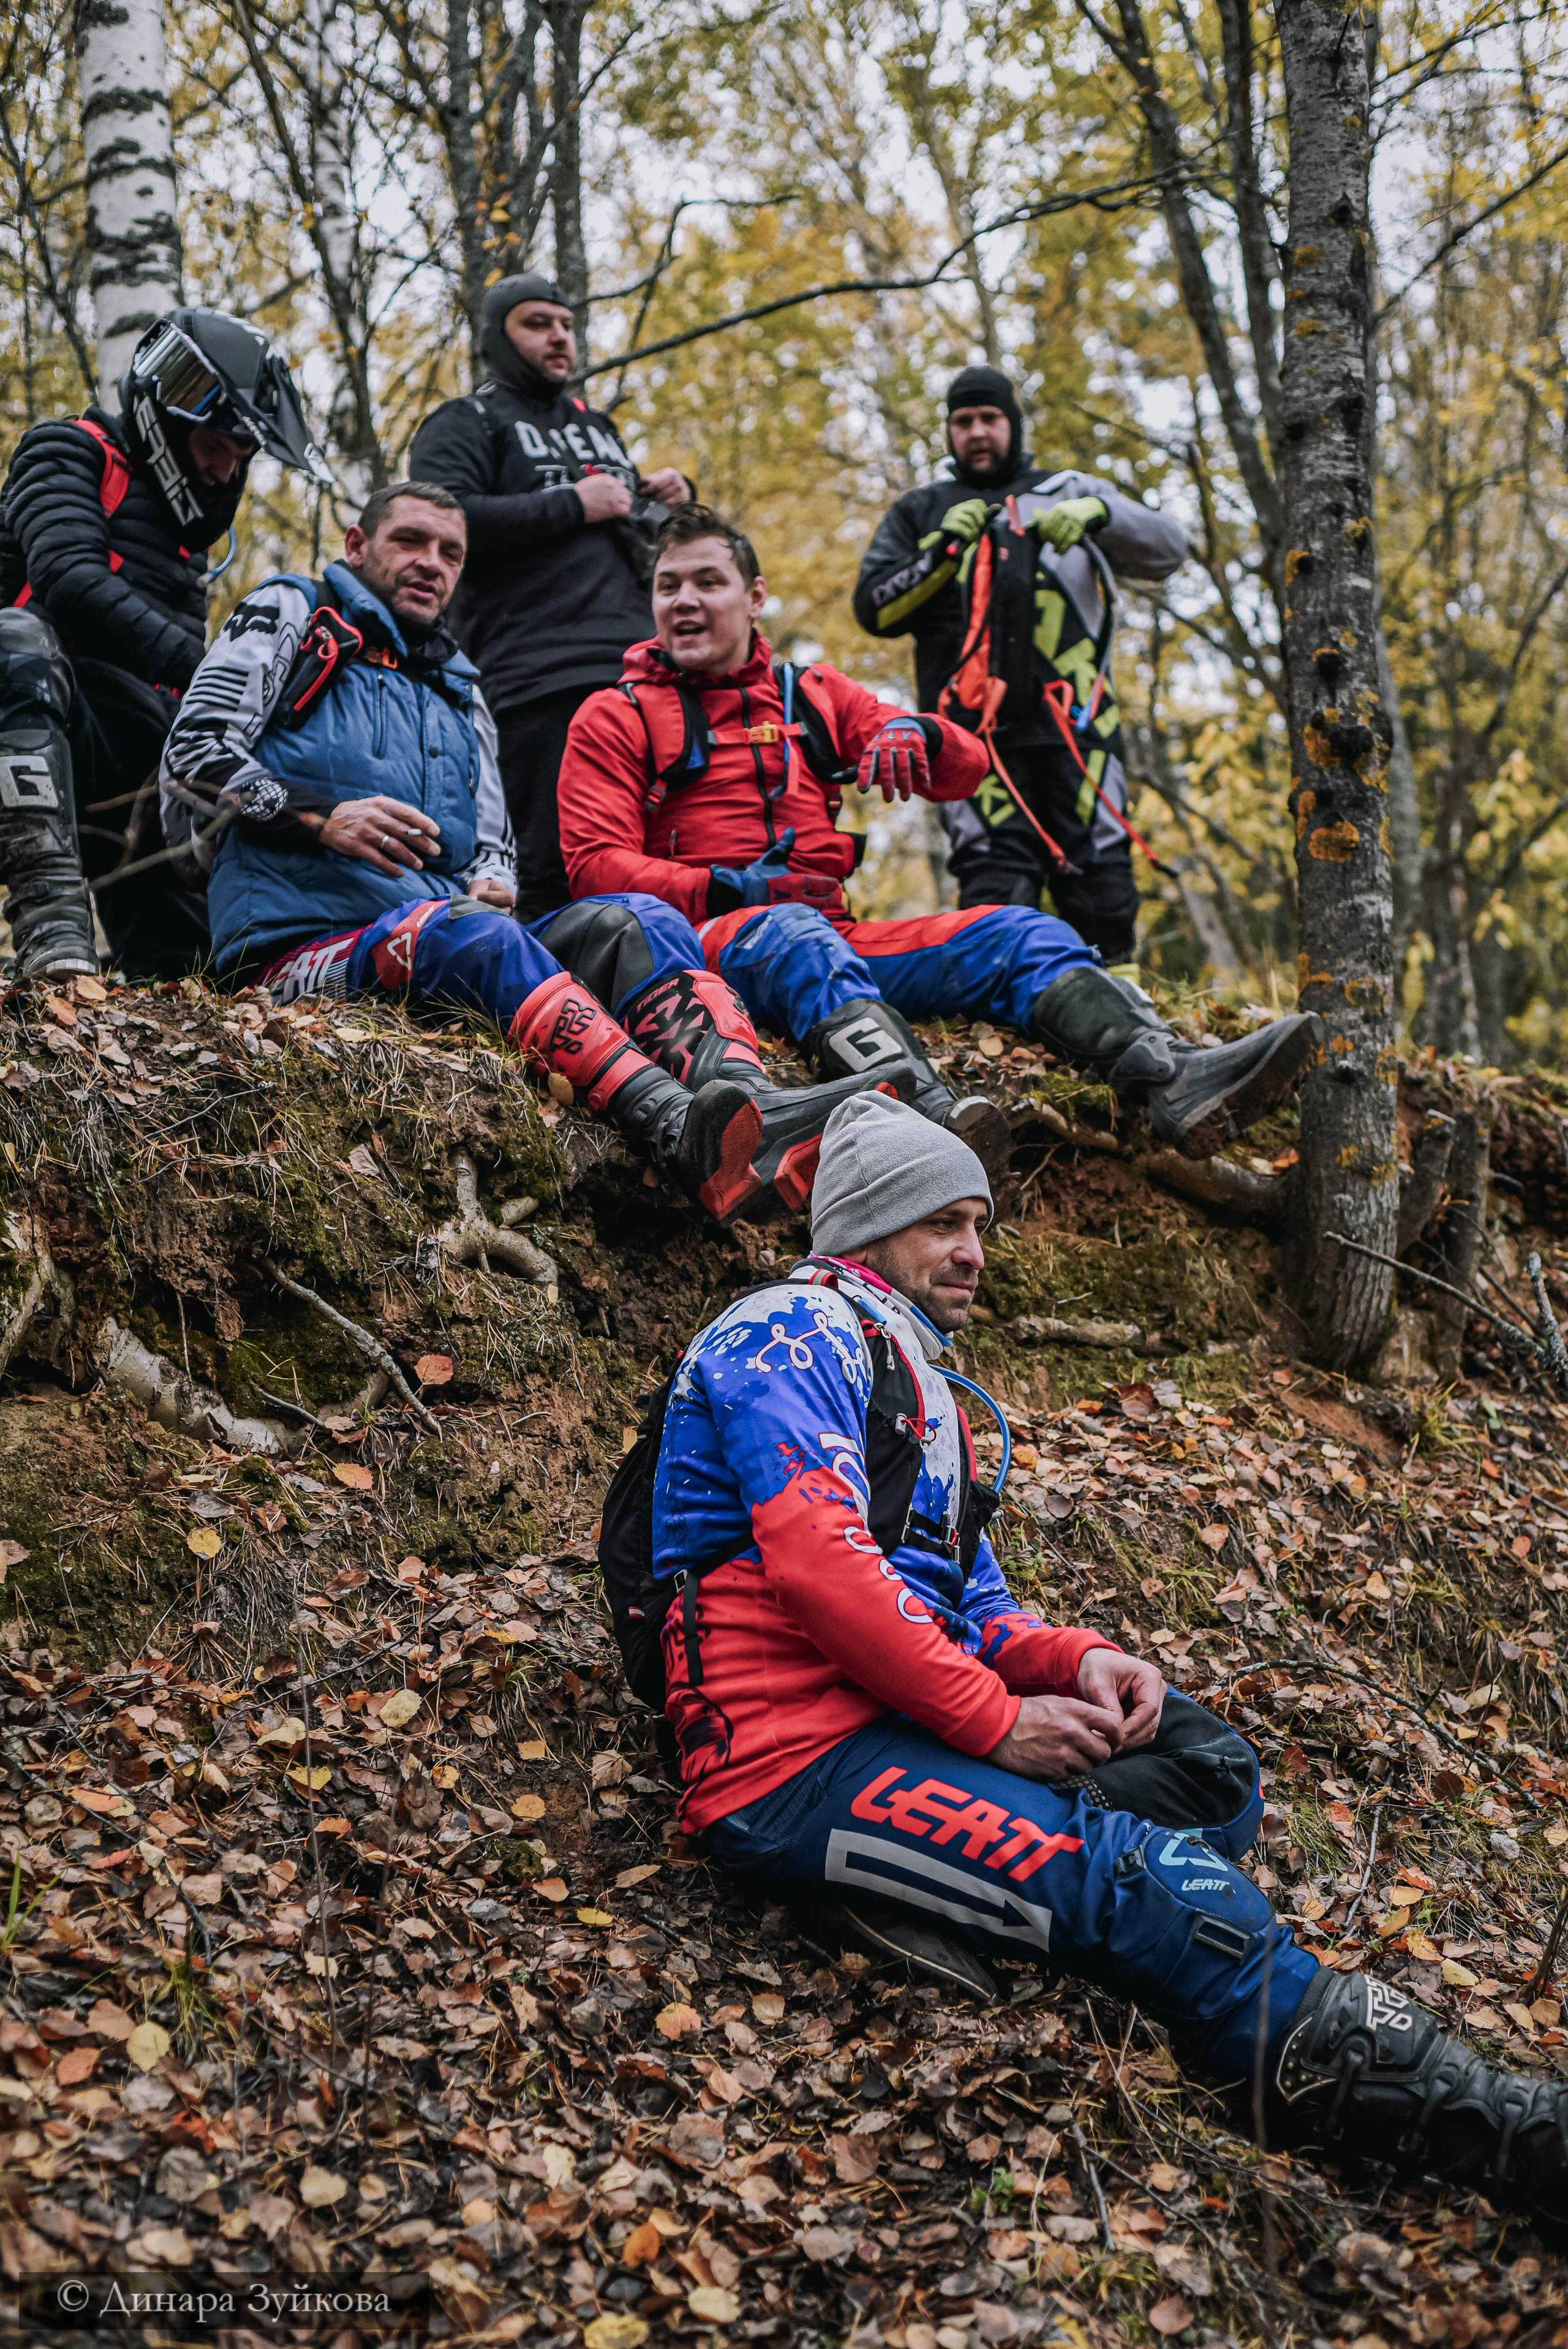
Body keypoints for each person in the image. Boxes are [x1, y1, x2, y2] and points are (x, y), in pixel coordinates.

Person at [647, 1091, 1568, 2228]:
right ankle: (1515, 2137)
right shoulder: (784, 1333)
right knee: (1179, 1902)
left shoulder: (928, 1388)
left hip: (901, 1726)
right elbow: (820, 1568)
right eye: (945, 1222)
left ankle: (942, 1896)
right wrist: (994, 1722)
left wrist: (1077, 1662)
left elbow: (970, 1602)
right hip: (794, 1768)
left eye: (980, 1223)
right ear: (870, 1225)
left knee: (1209, 1771)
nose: (975, 1252)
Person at [159, 480, 876, 1223]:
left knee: (639, 918)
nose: (430, 563)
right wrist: (320, 819)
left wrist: (494, 880)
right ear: (356, 546)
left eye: (450, 553)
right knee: (464, 931)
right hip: (294, 956)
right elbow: (192, 750)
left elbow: (494, 844)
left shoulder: (461, 686)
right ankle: (672, 1126)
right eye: (409, 541)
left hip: (436, 940)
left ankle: (750, 1110)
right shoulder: (293, 612)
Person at [556, 503, 1320, 1164]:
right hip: (707, 951)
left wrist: (914, 732)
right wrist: (734, 886)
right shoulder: (613, 714)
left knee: (1018, 930)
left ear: (754, 597)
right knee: (792, 929)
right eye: (668, 586)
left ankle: (1172, 1077)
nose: (684, 601)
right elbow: (595, 870)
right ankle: (926, 1115)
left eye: (706, 583)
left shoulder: (811, 694)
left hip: (829, 938)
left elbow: (965, 770)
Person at [0, 307, 333, 981]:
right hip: (35, 712)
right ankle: (51, 920)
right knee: (17, 635)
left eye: (241, 457)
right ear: (172, 421)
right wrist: (210, 670)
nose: (221, 471)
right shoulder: (71, 449)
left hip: (128, 769)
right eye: (216, 446)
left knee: (193, 977)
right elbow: (68, 579)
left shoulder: (189, 548)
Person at [853, 365, 1187, 971]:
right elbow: (872, 608)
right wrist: (938, 555)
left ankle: (1130, 1018)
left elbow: (1169, 548)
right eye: (963, 421)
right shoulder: (920, 509)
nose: (977, 432)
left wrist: (1100, 513)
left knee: (1101, 881)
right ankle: (1002, 1028)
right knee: (994, 881)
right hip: (967, 737)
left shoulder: (1068, 488)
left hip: (1076, 722)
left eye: (989, 418)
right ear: (948, 432)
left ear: (1012, 423)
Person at [409, 273, 693, 922]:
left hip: (643, 671)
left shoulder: (598, 427)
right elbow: (445, 525)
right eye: (537, 323)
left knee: (659, 853)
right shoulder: (467, 420)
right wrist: (572, 502)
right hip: (536, 675)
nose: (559, 336)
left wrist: (668, 507)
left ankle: (671, 997)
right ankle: (552, 1010)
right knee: (554, 860)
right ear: (498, 338)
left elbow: (629, 538)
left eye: (565, 324)